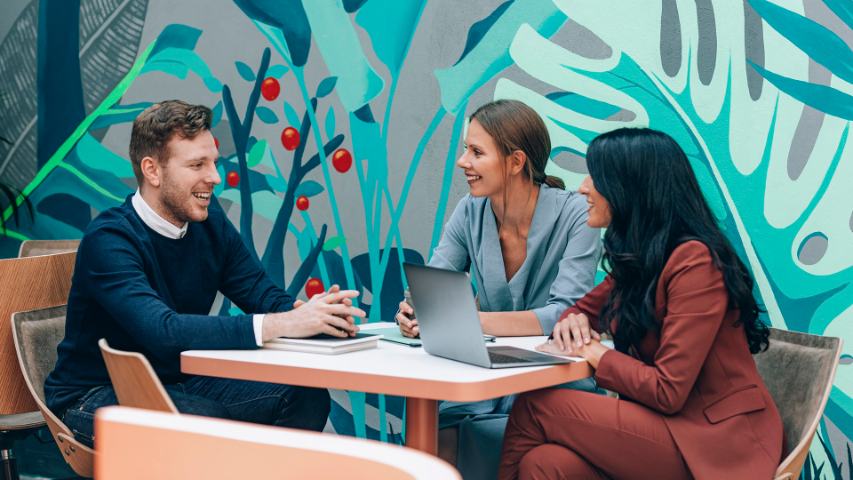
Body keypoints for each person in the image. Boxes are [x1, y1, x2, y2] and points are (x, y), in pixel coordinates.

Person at [45, 100, 366, 448]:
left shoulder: (210, 224)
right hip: (94, 396)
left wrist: (315, 316)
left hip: (179, 383)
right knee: (206, 421)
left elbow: (260, 293)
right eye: (198, 164)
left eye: (213, 162)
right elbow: (162, 331)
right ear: (153, 171)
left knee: (304, 394)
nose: (214, 177)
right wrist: (285, 324)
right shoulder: (109, 239)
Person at [499, 127, 783, 479]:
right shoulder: (645, 259)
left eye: (596, 177)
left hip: (715, 442)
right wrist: (572, 322)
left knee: (535, 406)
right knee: (542, 464)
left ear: (630, 187)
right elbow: (580, 312)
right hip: (667, 426)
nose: (583, 187)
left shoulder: (695, 263)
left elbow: (668, 390)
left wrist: (597, 353)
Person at [396, 99, 602, 479]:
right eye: (465, 150)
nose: (463, 162)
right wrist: (417, 311)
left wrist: (472, 322)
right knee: (430, 445)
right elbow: (435, 286)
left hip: (554, 384)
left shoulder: (576, 214)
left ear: (515, 161)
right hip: (484, 381)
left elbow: (566, 313)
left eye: (476, 152)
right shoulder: (469, 212)